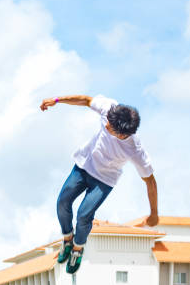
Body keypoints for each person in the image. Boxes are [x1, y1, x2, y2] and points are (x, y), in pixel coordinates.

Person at [40, 95, 158, 274]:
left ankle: (77, 249)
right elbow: (86, 100)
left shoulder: (135, 150)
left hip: (104, 180)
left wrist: (154, 213)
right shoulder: (110, 110)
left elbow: (150, 181)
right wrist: (56, 100)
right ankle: (67, 238)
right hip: (84, 165)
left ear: (122, 134)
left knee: (84, 215)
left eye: (110, 128)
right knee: (62, 202)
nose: (106, 125)